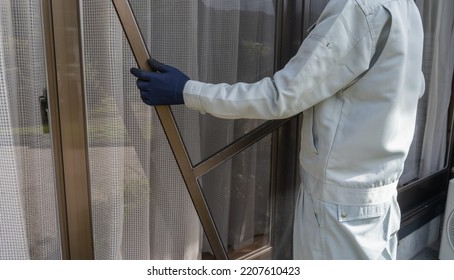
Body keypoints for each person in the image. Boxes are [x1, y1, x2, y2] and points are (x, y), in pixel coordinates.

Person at [130, 0, 425, 260]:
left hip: (340, 209)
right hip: (377, 200)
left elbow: (281, 96)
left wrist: (186, 91)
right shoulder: (407, 9)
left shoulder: (360, 8)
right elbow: (412, 88)